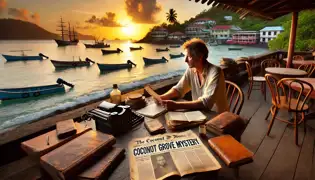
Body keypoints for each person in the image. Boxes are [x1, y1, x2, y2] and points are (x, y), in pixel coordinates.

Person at [157, 38, 229, 113]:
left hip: (217, 116)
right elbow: (179, 89)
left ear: (200, 56)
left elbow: (206, 103)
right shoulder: (191, 70)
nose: (185, 60)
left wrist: (176, 105)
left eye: (189, 56)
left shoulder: (215, 71)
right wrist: (162, 97)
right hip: (199, 114)